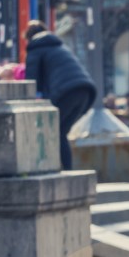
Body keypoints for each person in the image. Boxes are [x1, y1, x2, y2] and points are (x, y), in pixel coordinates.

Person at [24, 19, 97, 170]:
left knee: (56, 132)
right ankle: (66, 169)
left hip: (67, 92)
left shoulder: (35, 48)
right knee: (60, 132)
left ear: (29, 37)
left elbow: (31, 82)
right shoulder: (59, 45)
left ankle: (62, 169)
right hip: (85, 92)